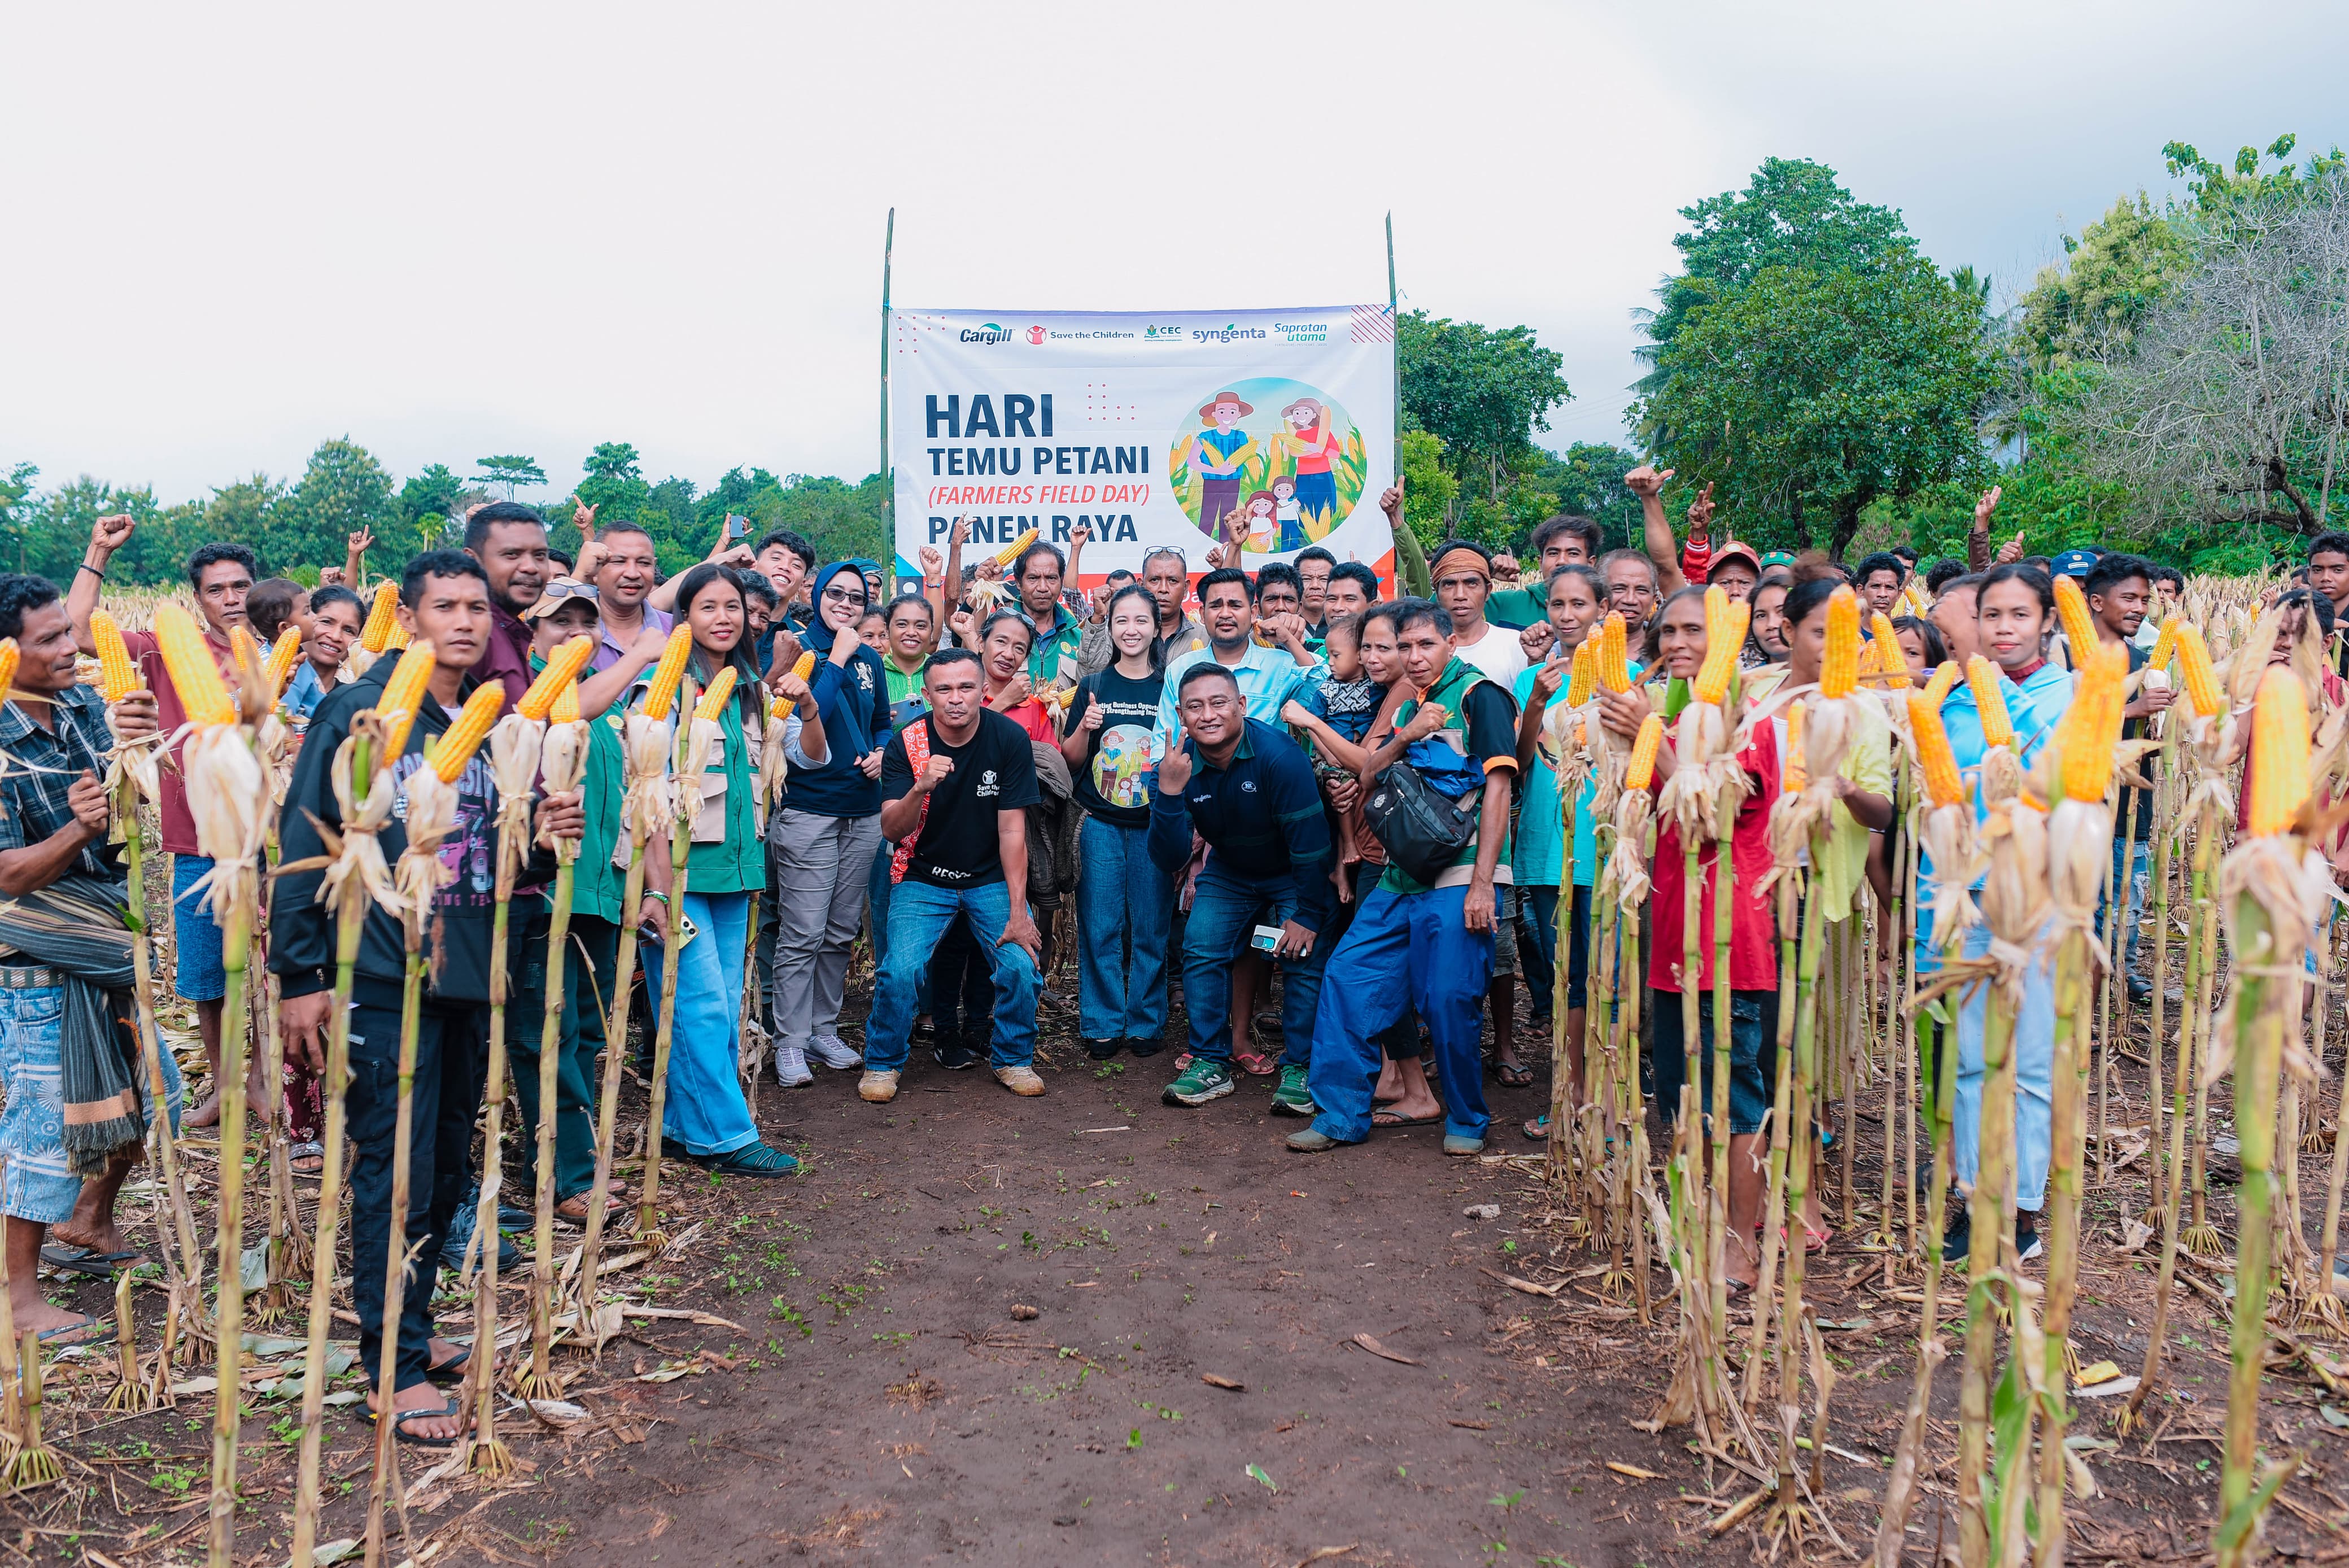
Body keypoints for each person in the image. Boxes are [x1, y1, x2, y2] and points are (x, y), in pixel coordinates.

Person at [272, 550, 584, 1444]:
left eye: (476, 607)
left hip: (465, 973)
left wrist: (542, 837)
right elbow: (307, 837)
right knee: (394, 1171)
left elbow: (484, 852)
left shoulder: (479, 722)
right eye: (444, 606)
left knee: (445, 1168)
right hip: (380, 975)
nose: (465, 621)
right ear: (407, 619)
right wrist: (301, 977)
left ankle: (411, 1329)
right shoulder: (360, 710)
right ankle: (390, 1369)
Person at [0, 574, 173, 1340]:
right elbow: (6, 875)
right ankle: (19, 1299)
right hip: (34, 961)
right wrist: (76, 831)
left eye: (70, 632)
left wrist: (133, 738)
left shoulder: (75, 709)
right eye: (50, 640)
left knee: (153, 1089)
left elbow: (124, 806)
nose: (71, 647)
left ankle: (88, 1223)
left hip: (98, 938)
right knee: (40, 1131)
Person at [1600, 584, 1781, 1289]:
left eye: (1691, 631)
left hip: (1734, 940)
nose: (1675, 644)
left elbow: (1716, 822)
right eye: (1665, 631)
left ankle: (1739, 1241)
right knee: (1679, 1094)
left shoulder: (1752, 725)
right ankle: (1692, 1221)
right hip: (1673, 934)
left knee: (1735, 1099)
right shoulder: (1670, 713)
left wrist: (1657, 740)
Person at [1293, 600, 1518, 1158]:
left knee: (1446, 996)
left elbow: (1498, 788)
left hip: (1461, 871)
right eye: (1404, 646)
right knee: (1347, 975)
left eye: (1425, 645)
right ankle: (1339, 1115)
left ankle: (1465, 1119)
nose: (1414, 657)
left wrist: (1485, 883)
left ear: (1450, 644)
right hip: (1400, 873)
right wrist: (1405, 733)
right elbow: (1366, 772)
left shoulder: (1478, 695)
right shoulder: (1409, 704)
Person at [68, 514, 251, 1129]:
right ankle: (226, 1090)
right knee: (206, 977)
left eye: (240, 587)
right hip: (198, 840)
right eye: (217, 590)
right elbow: (77, 632)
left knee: (277, 971)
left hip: (271, 842)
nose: (231, 600)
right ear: (196, 599)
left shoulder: (280, 650)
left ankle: (269, 1085)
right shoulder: (163, 648)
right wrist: (98, 550)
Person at [634, 565, 796, 1176]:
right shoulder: (663, 684)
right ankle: (729, 1136)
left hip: (733, 871)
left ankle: (683, 1125)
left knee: (722, 1006)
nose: (723, 617)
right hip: (676, 872)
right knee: (695, 1004)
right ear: (684, 616)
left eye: (733, 606)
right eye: (707, 607)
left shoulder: (746, 688)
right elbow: (644, 791)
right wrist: (654, 886)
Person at [511, 582, 665, 1219]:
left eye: (586, 621)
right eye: (558, 622)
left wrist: (646, 888)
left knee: (585, 1031)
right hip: (548, 893)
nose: (576, 632)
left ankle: (551, 1156)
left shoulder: (604, 712)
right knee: (547, 1032)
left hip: (600, 894)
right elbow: (557, 712)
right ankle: (568, 1173)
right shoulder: (530, 693)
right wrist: (638, 654)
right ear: (531, 632)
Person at [861, 650, 1046, 1100]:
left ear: (984, 691)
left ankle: (1013, 1058)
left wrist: (1019, 911)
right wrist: (920, 787)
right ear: (926, 695)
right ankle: (882, 1062)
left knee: (1021, 964)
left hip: (988, 878)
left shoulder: (1008, 738)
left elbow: (1012, 828)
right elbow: (891, 829)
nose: (956, 699)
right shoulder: (909, 742)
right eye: (944, 689)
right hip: (922, 876)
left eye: (966, 688)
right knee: (900, 970)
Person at [1152, 665, 1332, 1115]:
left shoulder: (1279, 755)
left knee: (1303, 954)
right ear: (1181, 714)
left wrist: (1308, 914)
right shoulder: (1178, 764)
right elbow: (1169, 857)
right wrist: (1170, 794)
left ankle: (1302, 1066)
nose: (1208, 715)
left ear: (1242, 706)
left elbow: (1311, 845)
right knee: (1200, 946)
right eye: (1195, 706)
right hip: (1232, 868)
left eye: (1219, 703)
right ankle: (1210, 1059)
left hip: (1292, 867)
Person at [768, 562, 890, 1085]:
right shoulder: (796, 649)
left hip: (861, 808)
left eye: (856, 596)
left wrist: (883, 753)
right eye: (835, 593)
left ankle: (823, 1028)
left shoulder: (871, 659)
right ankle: (789, 1040)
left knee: (840, 931)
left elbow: (880, 720)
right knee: (802, 931)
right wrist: (838, 655)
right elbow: (810, 706)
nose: (845, 602)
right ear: (816, 595)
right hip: (809, 807)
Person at [1511, 565, 1622, 1139]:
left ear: (1602, 607)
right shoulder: (1535, 675)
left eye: (1579, 602)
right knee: (1565, 976)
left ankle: (1603, 1097)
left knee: (1604, 974)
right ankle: (1569, 1091)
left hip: (1605, 847)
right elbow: (1520, 760)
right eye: (1556, 603)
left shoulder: (1628, 676)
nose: (1566, 613)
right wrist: (1533, 703)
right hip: (1547, 847)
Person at [1064, 586, 1172, 1061]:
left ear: (1157, 627)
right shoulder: (1093, 686)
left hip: (1155, 823)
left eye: (1141, 620)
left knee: (1150, 926)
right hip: (1100, 822)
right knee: (1101, 925)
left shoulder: (1170, 685)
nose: (1131, 629)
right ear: (1110, 628)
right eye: (1121, 620)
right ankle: (1103, 1022)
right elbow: (1069, 761)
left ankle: (1146, 1021)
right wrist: (1085, 728)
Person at [2084, 553, 2174, 1001]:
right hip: (2080, 804)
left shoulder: (2145, 660)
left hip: (2131, 805)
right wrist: (2132, 710)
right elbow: (2065, 724)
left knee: (2127, 898)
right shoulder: (2069, 658)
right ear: (2097, 601)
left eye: (2145, 598)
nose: (2140, 607)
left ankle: (2124, 971)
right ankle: (2085, 982)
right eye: (2129, 598)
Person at [1155, 567, 1320, 735]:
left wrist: (1289, 641)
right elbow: (1163, 742)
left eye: (1235, 605)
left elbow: (1326, 695)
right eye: (1216, 606)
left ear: (1254, 612)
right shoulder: (1179, 670)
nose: (1225, 614)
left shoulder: (1281, 666)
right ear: (1203, 615)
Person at [464, 501, 552, 711]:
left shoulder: (510, 630)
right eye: (512, 555)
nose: (531, 567)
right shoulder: (468, 635)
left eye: (540, 556)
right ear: (472, 561)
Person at [1429, 539, 1527, 687]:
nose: (1460, 595)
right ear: (1437, 593)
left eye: (1471, 583)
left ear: (1488, 591)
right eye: (1449, 584)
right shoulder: (1422, 650)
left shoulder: (1516, 645)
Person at [1495, 514, 1605, 643]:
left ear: (1591, 563)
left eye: (1573, 553)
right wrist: (1485, 572)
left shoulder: (1606, 608)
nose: (1562, 561)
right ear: (1540, 562)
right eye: (1553, 553)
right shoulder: (1506, 603)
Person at [282, 583, 363, 734]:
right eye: (326, 622)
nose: (335, 636)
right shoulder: (266, 678)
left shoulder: (350, 702)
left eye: (348, 630)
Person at [1011, 539, 1085, 693]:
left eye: (1051, 578)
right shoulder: (1000, 633)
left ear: (1061, 581)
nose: (1043, 588)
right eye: (1033, 578)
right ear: (1018, 583)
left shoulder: (1078, 637)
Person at [1185, 391, 1258, 540]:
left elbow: (1244, 456)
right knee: (1208, 514)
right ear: (1214, 414)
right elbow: (1192, 462)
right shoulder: (1204, 437)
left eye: (1232, 412)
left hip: (1233, 482)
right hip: (1212, 482)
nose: (1227, 416)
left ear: (1238, 415)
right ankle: (1202, 545)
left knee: (1228, 516)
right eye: (1222, 411)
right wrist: (1218, 470)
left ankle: (1226, 545)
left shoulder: (1241, 437)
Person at [1598, 548, 1661, 637]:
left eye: (1641, 590)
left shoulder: (1666, 647)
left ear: (1653, 600)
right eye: (1619, 589)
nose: (1630, 600)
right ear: (1600, 597)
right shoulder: (1577, 644)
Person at [1295, 546, 1337, 637]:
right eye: (1306, 579)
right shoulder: (1285, 627)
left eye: (1324, 579)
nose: (1315, 586)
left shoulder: (1348, 626)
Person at [1854, 553, 1906, 618]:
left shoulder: (1908, 628)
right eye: (1875, 586)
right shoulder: (1848, 628)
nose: (1882, 594)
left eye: (1890, 588)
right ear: (1861, 591)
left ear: (1899, 594)